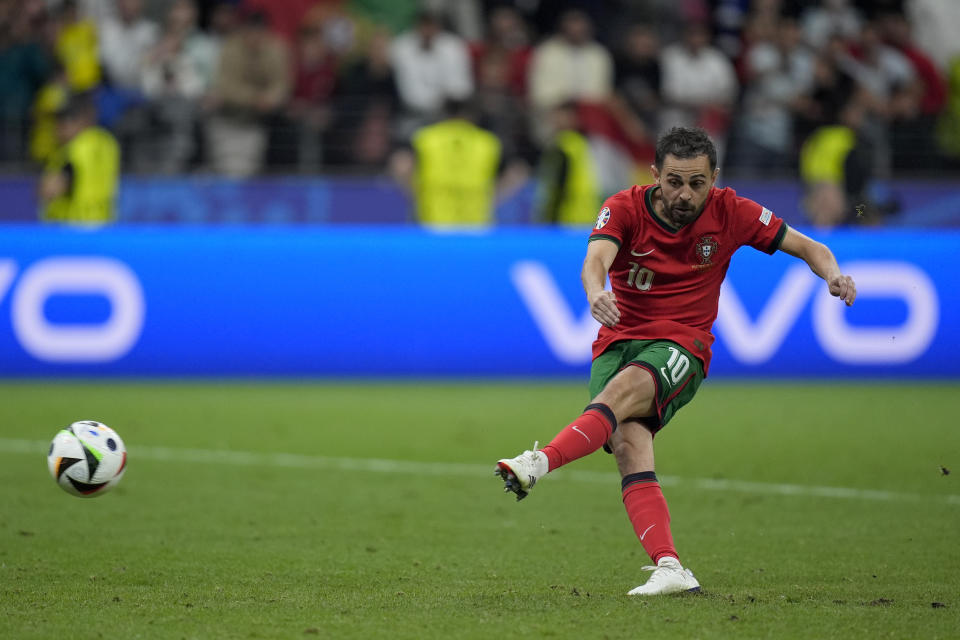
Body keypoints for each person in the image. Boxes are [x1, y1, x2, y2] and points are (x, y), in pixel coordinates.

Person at [494, 126, 857, 596]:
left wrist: (833, 275)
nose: (685, 194)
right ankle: (670, 567)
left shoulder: (734, 212)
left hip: (683, 344)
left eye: (697, 183)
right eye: (674, 182)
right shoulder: (623, 206)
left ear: (714, 177)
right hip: (618, 341)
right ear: (655, 176)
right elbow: (595, 260)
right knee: (627, 446)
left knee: (622, 392)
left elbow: (809, 246)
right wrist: (595, 291)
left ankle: (540, 461)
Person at [39, 92, 120, 225]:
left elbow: (50, 189)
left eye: (63, 123)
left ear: (81, 121)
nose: (57, 129)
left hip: (74, 228)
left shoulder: (75, 148)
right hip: (104, 224)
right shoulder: (107, 142)